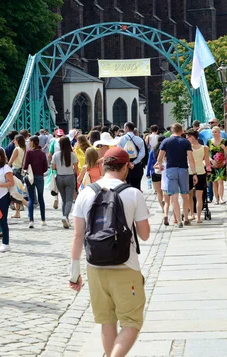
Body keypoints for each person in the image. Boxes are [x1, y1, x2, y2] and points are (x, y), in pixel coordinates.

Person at [69, 147, 151, 357]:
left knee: (107, 321)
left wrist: (74, 273)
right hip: (126, 266)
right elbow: (144, 235)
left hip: (95, 267)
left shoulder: (86, 192)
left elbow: (78, 236)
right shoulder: (132, 193)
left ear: (103, 166)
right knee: (132, 322)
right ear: (125, 167)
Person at [155, 123, 197, 228]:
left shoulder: (165, 141)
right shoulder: (186, 142)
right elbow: (191, 159)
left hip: (171, 170)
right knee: (185, 195)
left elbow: (159, 158)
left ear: (172, 131)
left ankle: (178, 221)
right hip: (183, 169)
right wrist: (194, 173)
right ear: (181, 131)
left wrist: (160, 166)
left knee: (174, 196)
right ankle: (186, 218)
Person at [52, 136, 79, 229]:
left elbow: (53, 167)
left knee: (64, 199)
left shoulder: (56, 155)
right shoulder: (72, 155)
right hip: (70, 177)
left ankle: (65, 217)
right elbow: (76, 169)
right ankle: (65, 216)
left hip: (59, 177)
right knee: (69, 199)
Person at [23, 136, 48, 228]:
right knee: (41, 198)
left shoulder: (29, 152)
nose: (28, 143)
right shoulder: (42, 153)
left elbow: (25, 166)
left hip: (30, 177)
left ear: (33, 142)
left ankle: (31, 220)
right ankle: (43, 220)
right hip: (40, 176)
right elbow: (45, 167)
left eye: (29, 141)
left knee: (31, 199)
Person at [186, 130, 210, 222]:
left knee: (189, 195)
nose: (187, 139)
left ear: (192, 137)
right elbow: (207, 163)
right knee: (199, 196)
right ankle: (199, 217)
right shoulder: (205, 148)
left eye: (188, 137)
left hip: (189, 172)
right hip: (201, 172)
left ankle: (192, 214)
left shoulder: (187, 148)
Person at [117, 122, 146, 190]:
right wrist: (134, 162)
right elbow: (142, 153)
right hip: (136, 165)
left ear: (126, 128)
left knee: (125, 186)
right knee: (136, 186)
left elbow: (119, 152)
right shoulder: (139, 139)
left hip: (125, 165)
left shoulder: (121, 139)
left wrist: (127, 162)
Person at [207, 126, 227, 205]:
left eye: (215, 132)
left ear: (219, 133)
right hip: (212, 164)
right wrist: (211, 160)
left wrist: (225, 149)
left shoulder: (224, 141)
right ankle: (216, 199)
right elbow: (206, 154)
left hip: (221, 164)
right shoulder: (209, 142)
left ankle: (221, 198)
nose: (214, 133)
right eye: (212, 132)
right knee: (214, 182)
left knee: (220, 181)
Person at [146, 136, 166, 213]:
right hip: (164, 171)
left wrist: (148, 173)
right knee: (164, 190)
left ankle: (162, 207)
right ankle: (165, 202)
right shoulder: (165, 150)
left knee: (158, 192)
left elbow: (149, 162)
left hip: (155, 172)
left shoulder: (153, 150)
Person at [8, 134, 26, 218]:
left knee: (15, 191)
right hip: (21, 171)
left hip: (15, 170)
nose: (13, 141)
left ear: (17, 141)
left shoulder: (16, 149)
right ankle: (17, 212)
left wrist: (6, 168)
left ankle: (25, 207)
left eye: (15, 140)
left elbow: (11, 161)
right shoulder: (23, 149)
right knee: (18, 190)